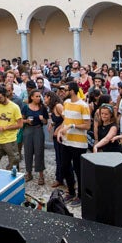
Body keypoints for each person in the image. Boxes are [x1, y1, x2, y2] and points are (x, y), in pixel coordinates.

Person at [54, 79, 90, 207]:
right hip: (66, 141)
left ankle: (81, 196)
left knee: (79, 170)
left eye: (66, 90)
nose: (63, 92)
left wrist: (72, 126)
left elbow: (87, 125)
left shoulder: (83, 105)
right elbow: (66, 121)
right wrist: (59, 131)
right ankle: (71, 191)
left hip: (79, 144)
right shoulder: (66, 103)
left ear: (73, 91)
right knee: (65, 167)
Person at [0, 85, 24, 171]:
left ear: (5, 95)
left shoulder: (14, 107)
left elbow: (20, 124)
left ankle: (11, 181)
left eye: (0, 98)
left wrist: (5, 128)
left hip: (10, 140)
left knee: (13, 163)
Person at [20, 88, 49, 184]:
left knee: (39, 152)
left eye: (39, 96)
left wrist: (42, 119)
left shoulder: (42, 108)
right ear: (31, 97)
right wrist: (26, 121)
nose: (38, 98)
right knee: (28, 151)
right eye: (36, 96)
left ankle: (41, 175)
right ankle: (29, 173)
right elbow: (20, 120)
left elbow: (45, 122)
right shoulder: (26, 107)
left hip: (38, 129)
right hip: (28, 129)